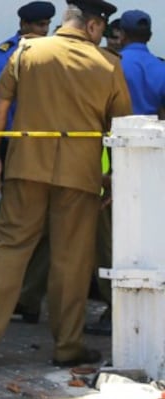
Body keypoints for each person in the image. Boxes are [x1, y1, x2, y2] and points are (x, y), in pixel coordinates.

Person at [0, 0, 132, 366]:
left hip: (26, 167)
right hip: (81, 176)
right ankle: (67, 346)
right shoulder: (108, 65)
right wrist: (116, 178)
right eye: (102, 28)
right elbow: (122, 128)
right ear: (92, 26)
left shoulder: (28, 50)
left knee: (9, 247)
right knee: (71, 261)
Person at [85, 9, 165, 336]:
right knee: (149, 229)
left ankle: (116, 306)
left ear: (123, 35)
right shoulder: (160, 67)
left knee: (110, 235)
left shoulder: (111, 66)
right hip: (152, 159)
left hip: (113, 158)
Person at [0, 1, 56, 325]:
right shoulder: (3, 53)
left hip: (53, 144)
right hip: (15, 143)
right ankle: (7, 300)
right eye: (39, 25)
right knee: (14, 224)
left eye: (47, 25)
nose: (44, 31)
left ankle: (29, 298)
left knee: (48, 228)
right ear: (24, 25)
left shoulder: (57, 52)